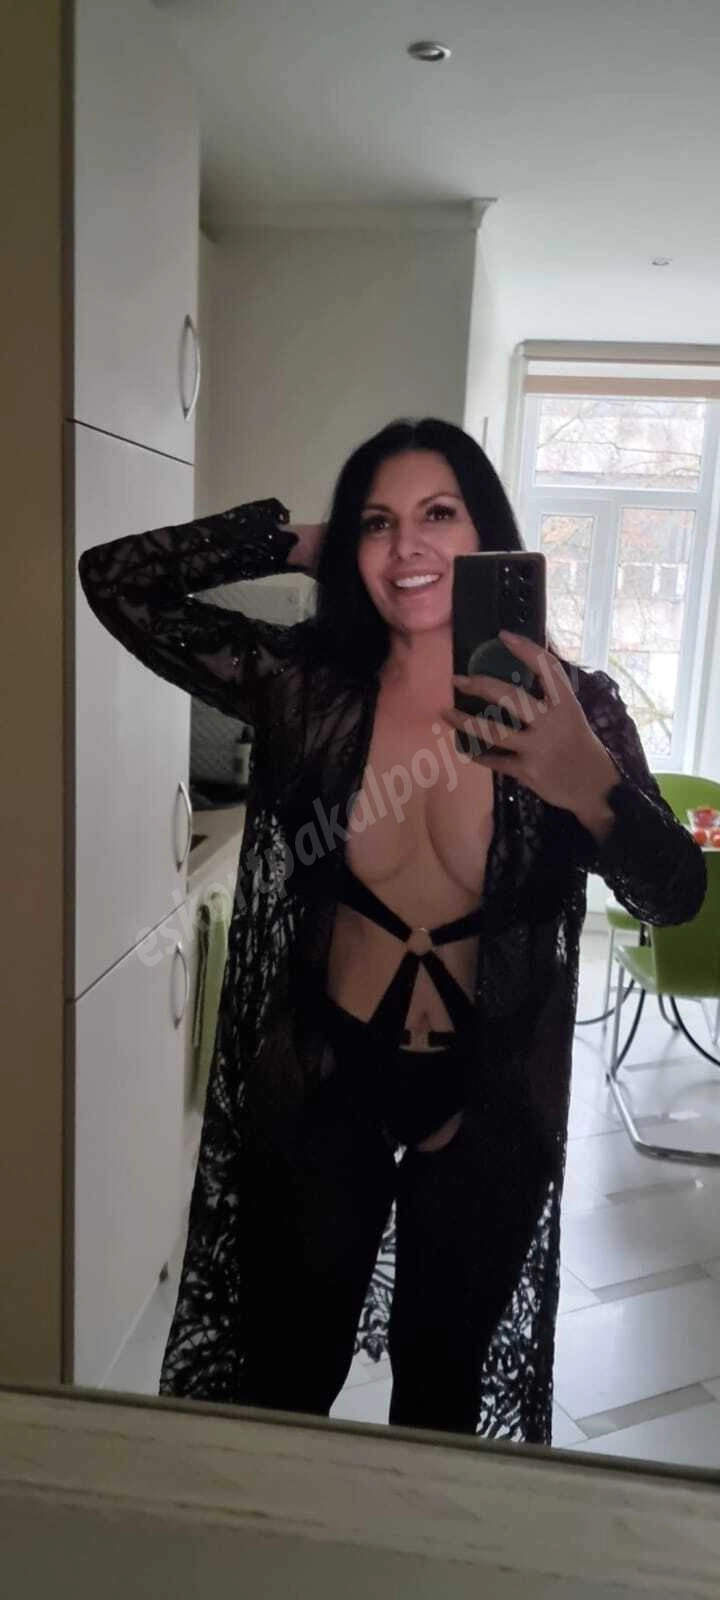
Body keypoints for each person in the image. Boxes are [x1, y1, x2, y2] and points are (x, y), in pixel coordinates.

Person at [78, 417, 705, 1442]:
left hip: (489, 1102)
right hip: (326, 1078)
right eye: (378, 522)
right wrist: (295, 540)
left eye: (438, 513)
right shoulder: (307, 687)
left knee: (440, 1399)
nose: (407, 544)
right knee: (284, 1381)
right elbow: (116, 582)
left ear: (489, 536)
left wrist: (590, 785)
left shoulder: (571, 706)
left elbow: (675, 896)